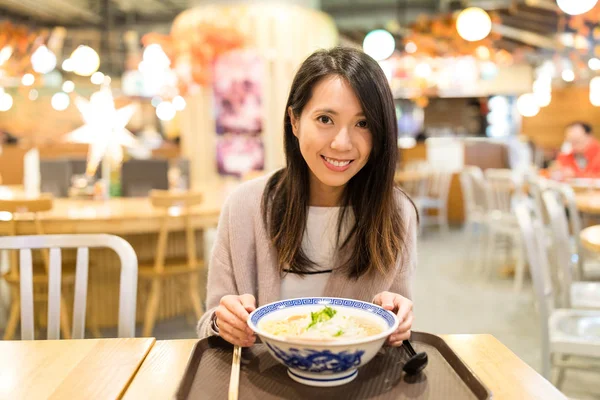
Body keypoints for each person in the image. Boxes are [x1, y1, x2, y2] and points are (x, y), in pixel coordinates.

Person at [197, 47, 418, 348]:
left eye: (363, 123)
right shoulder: (245, 206)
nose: (342, 143)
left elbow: (396, 321)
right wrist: (224, 322)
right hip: (265, 383)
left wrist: (397, 317)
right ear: (295, 121)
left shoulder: (395, 212)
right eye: (325, 119)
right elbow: (212, 320)